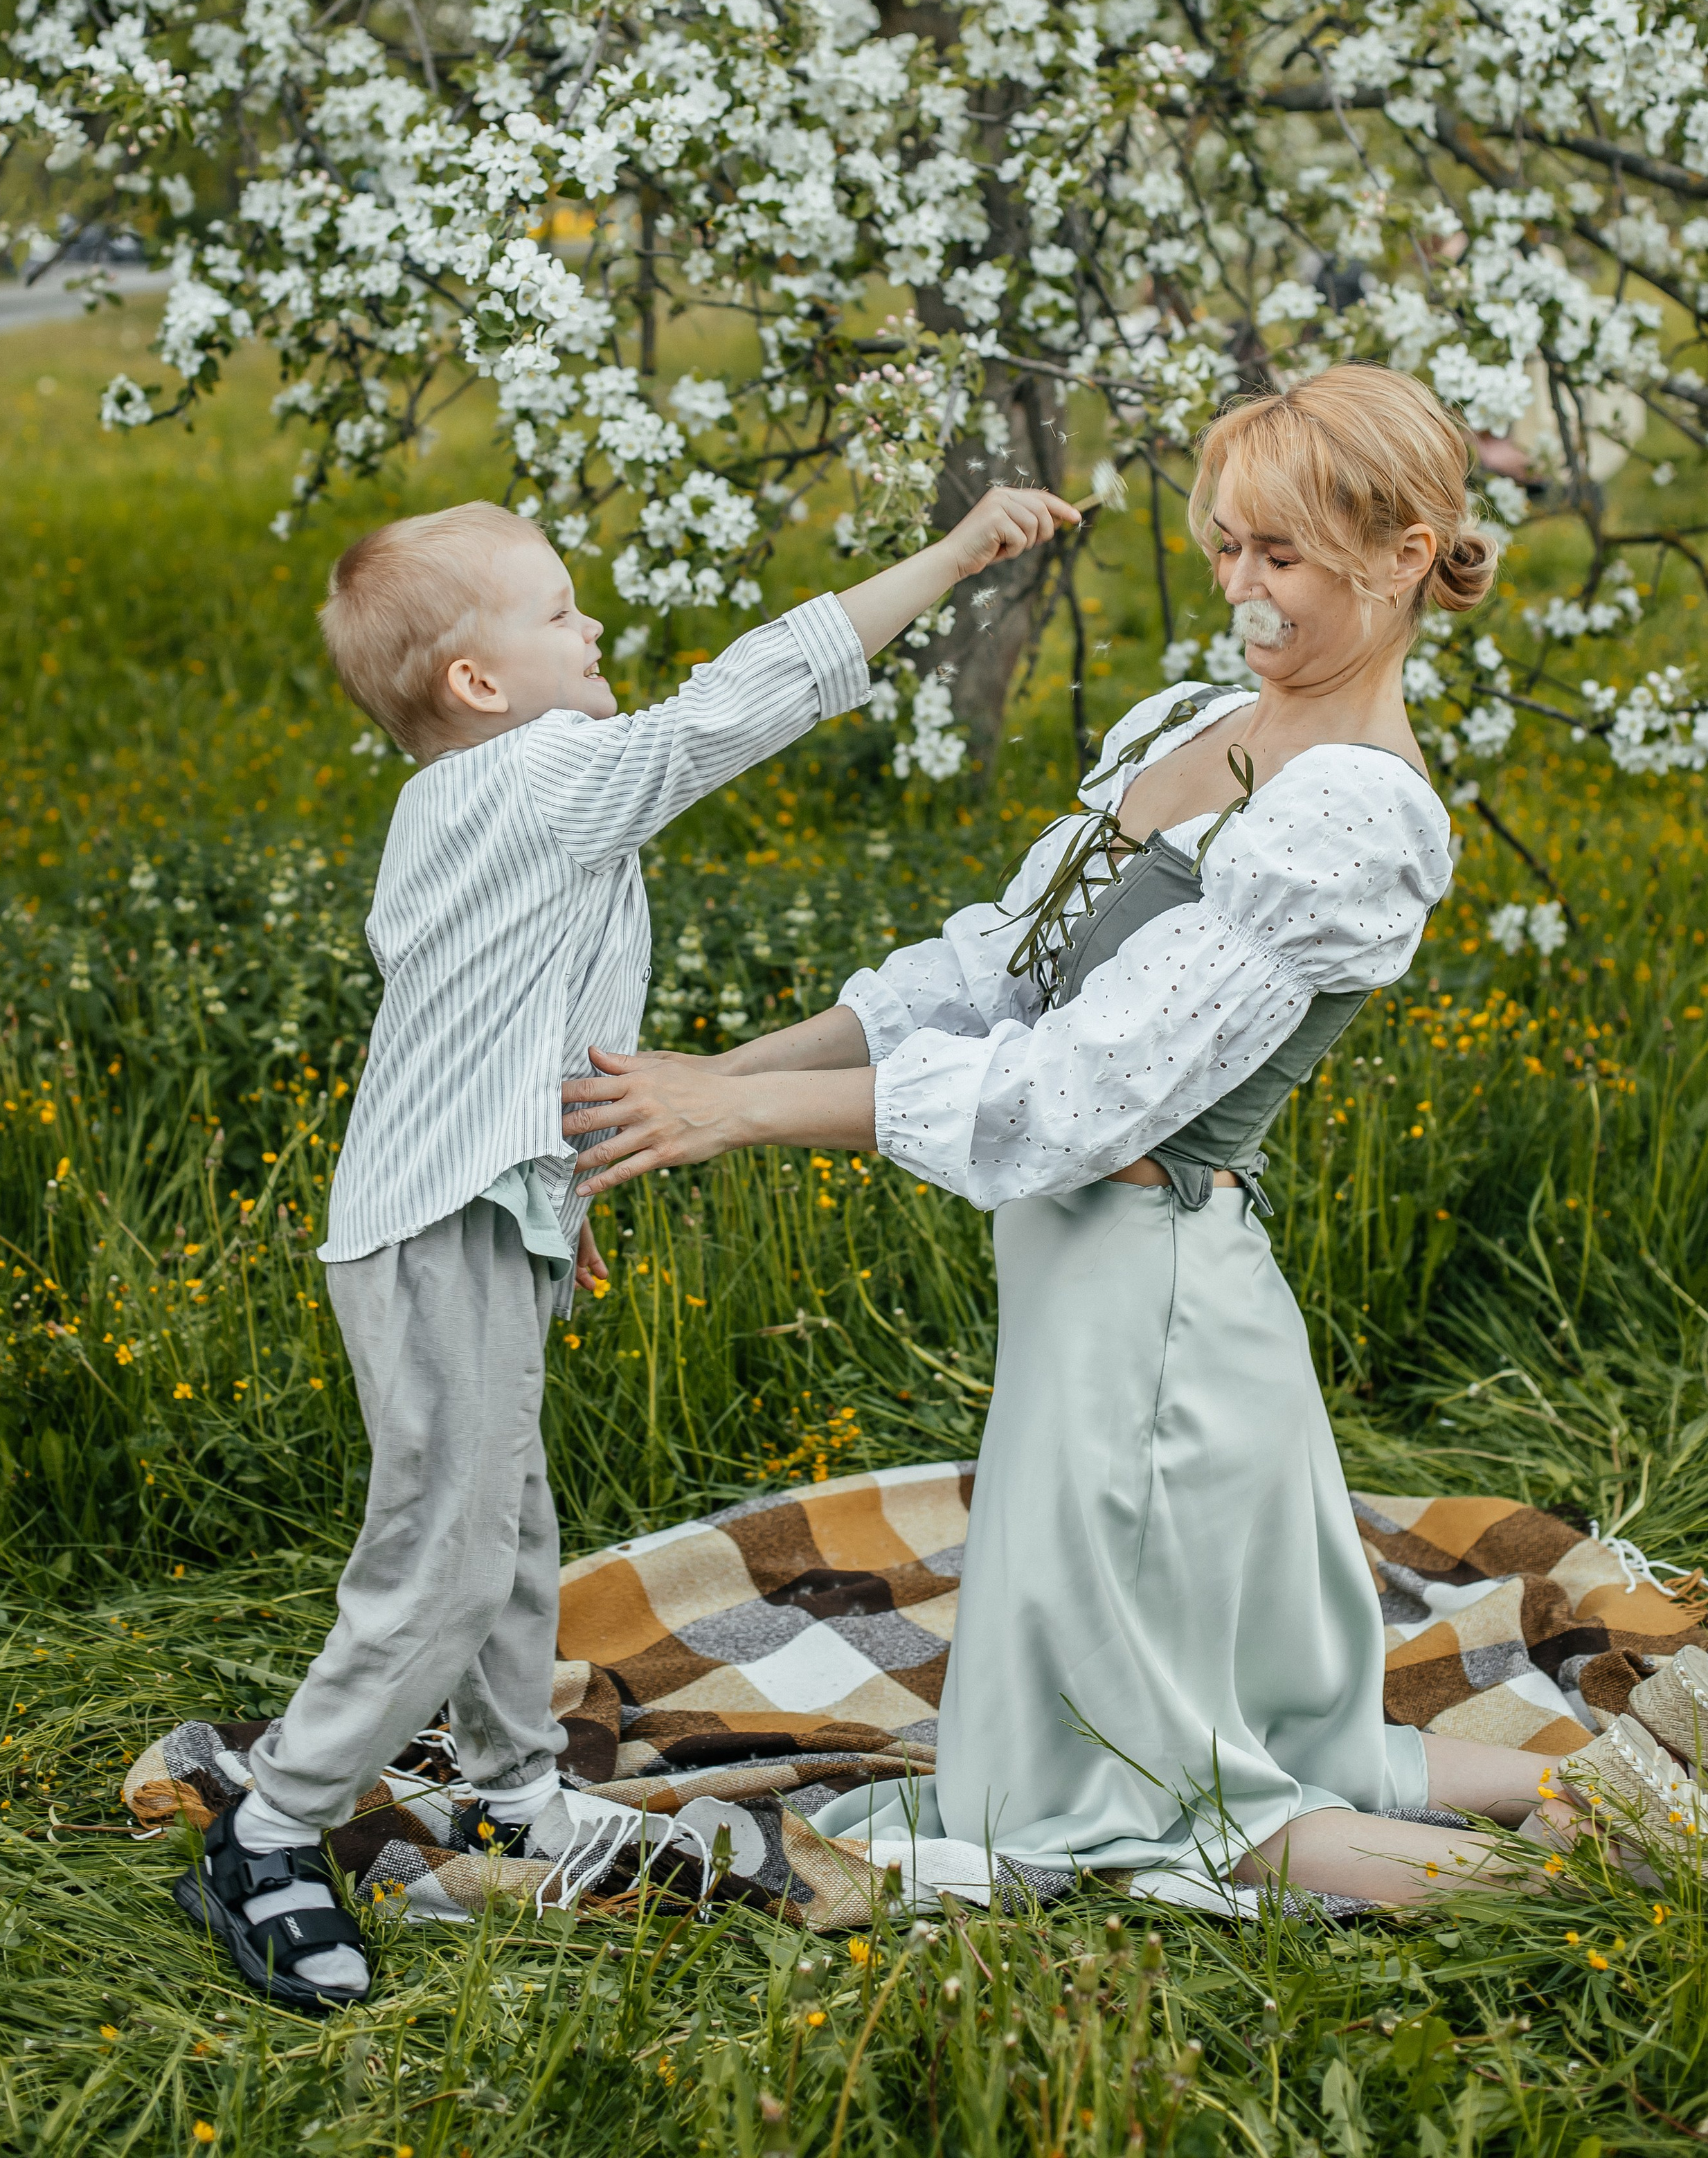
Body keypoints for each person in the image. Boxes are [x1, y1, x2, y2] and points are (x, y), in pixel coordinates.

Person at [562, 366, 1642, 1907]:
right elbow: (986, 971)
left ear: (1402, 555)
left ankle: (1611, 1904)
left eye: (1280, 556)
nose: (1239, 589)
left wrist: (730, 1115)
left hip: (1152, 1320)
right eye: (1222, 546)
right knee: (1286, 1738)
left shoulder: (1351, 817)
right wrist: (693, 1078)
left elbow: (1068, 1101)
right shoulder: (1201, 724)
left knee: (1148, 1798)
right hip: (1110, 1306)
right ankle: (1620, 1808)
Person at [176, 481, 1078, 2011]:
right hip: (430, 1229)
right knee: (446, 1552)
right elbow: (736, 707)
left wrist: (560, 1193)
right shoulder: (538, 779)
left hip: (483, 1210)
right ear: (477, 685)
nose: (588, 628)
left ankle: (515, 1788)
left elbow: (520, 1024)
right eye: (554, 613)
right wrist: (945, 555)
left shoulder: (501, 802)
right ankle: (269, 1834)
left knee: (512, 1530)